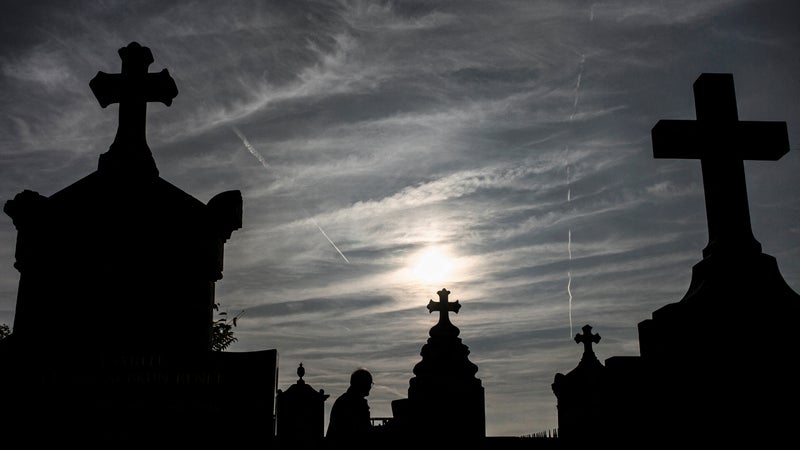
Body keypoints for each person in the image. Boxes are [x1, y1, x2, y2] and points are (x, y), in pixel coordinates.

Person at [325, 368, 373, 447]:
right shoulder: (353, 403)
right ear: (362, 383)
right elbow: (360, 431)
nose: (370, 387)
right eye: (369, 383)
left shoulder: (343, 400)